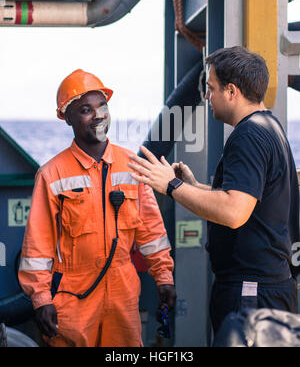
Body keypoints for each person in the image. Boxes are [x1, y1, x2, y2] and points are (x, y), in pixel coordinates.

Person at [128, 46, 299, 336]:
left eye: (211, 88)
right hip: (266, 287)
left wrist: (172, 186)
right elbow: (249, 200)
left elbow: (234, 212)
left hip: (251, 293)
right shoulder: (269, 126)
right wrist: (194, 187)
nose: (207, 97)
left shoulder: (249, 136)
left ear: (231, 91)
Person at [18, 69, 176, 347]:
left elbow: (151, 230)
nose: (98, 115)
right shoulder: (52, 174)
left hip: (123, 292)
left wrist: (163, 276)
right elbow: (38, 245)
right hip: (73, 296)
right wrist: (41, 298)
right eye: (86, 110)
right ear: (68, 118)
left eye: (102, 107)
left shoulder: (132, 166)